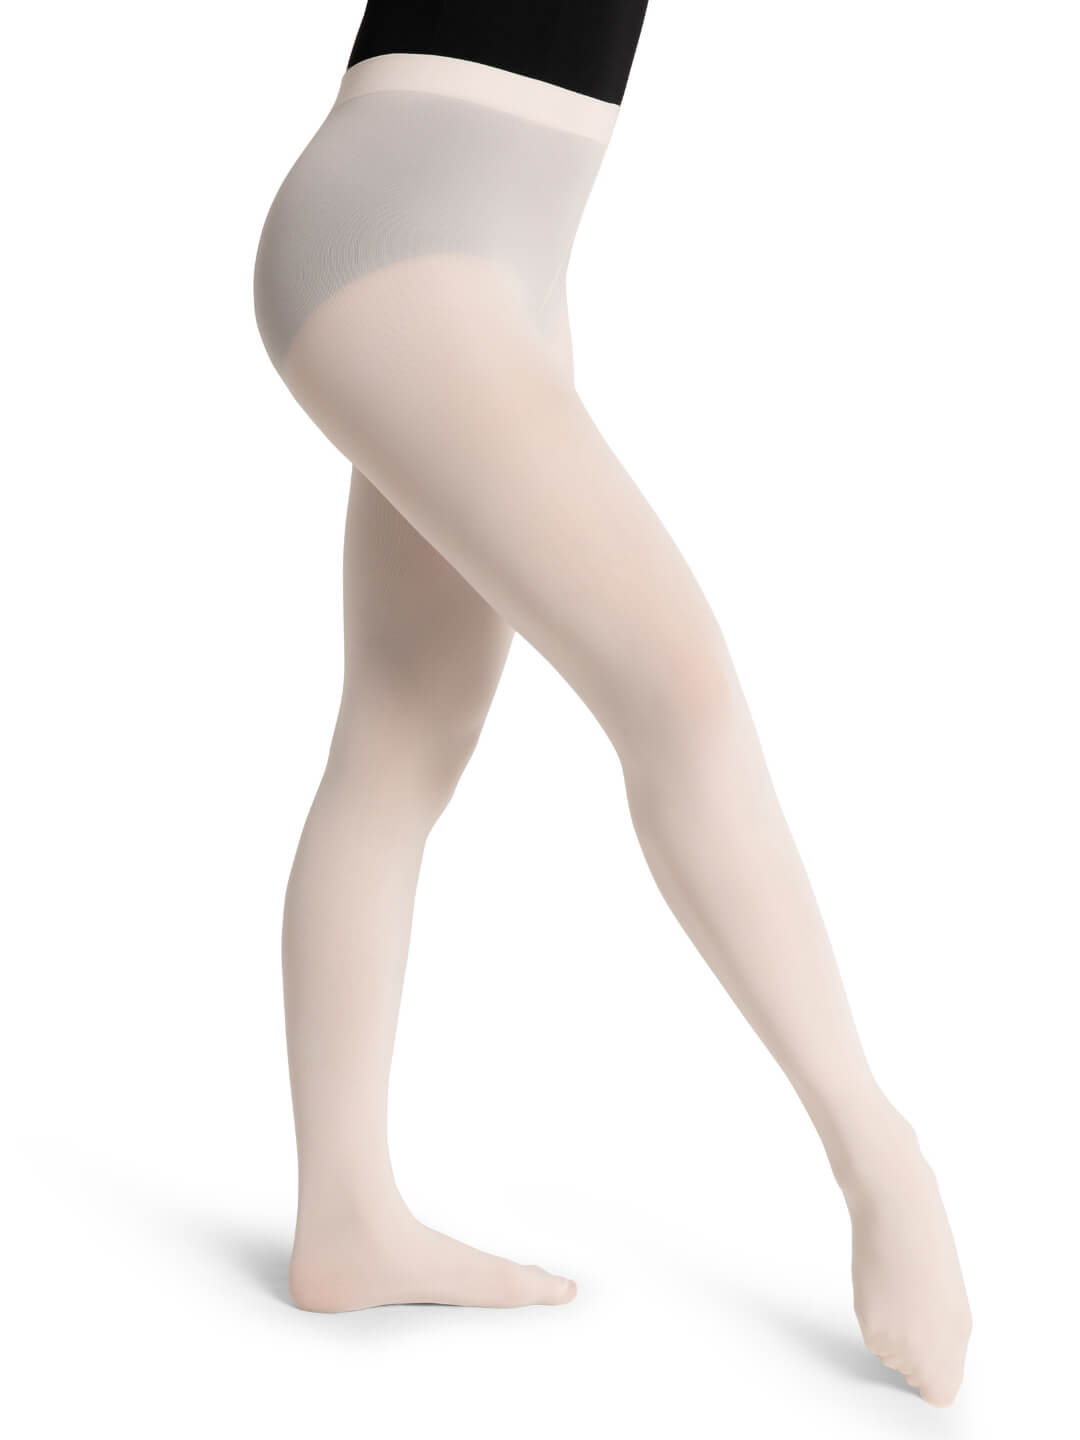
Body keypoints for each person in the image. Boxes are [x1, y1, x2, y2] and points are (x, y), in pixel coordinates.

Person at [252, 0, 972, 1406]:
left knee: (403, 730)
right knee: (678, 691)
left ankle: (345, 1220)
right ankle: (879, 1155)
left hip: (497, 265)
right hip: (406, 251)